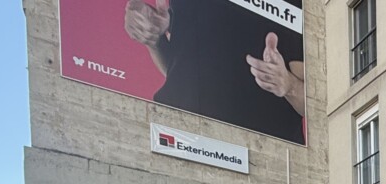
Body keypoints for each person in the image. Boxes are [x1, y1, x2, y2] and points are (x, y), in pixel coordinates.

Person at [124, 0, 306, 144]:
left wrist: (289, 85)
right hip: (175, 135)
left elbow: (313, 107)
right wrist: (154, 40)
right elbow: (178, 71)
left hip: (258, 152)